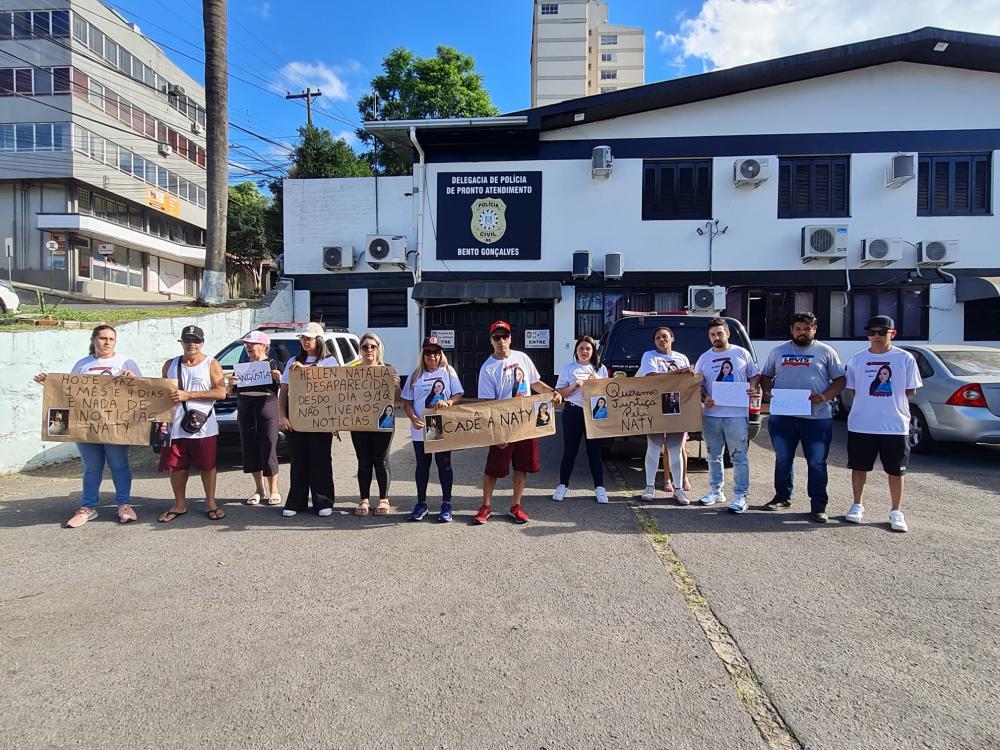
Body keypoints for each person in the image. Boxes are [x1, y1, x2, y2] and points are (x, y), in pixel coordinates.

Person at [33, 324, 142, 528]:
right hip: (87, 426)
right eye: (102, 338)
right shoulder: (82, 364)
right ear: (93, 340)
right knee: (92, 467)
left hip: (115, 426)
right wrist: (49, 383)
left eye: (111, 339)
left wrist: (133, 380)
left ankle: (124, 505)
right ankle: (88, 507)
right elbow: (68, 391)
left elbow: (141, 392)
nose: (107, 342)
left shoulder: (125, 362)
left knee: (119, 465)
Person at [759, 311, 845, 523]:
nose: (802, 333)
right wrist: (768, 391)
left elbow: (840, 380)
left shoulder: (826, 351)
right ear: (792, 330)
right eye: (798, 329)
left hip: (816, 418)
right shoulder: (778, 351)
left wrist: (825, 396)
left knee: (816, 462)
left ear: (814, 330)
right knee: (783, 459)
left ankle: (818, 505)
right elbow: (766, 376)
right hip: (783, 416)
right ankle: (782, 496)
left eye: (807, 329)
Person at [474, 320, 562, 525]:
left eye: (505, 336)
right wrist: (496, 432)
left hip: (526, 422)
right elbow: (488, 404)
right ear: (491, 340)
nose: (501, 341)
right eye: (497, 337)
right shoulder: (488, 368)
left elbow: (535, 383)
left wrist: (553, 393)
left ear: (510, 338)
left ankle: (516, 505)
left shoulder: (522, 357)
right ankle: (486, 505)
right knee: (494, 467)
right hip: (504, 424)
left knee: (521, 465)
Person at [843, 315, 922, 532]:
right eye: (871, 332)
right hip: (861, 424)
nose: (875, 337)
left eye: (881, 332)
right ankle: (857, 505)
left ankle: (896, 511)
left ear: (892, 334)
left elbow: (910, 390)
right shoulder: (858, 359)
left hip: (894, 425)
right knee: (859, 468)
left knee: (896, 471)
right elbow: (853, 389)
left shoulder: (905, 358)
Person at [157, 324, 228, 522]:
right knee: (177, 467)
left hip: (203, 426)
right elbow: (159, 392)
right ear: (182, 342)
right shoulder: (170, 364)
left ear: (202, 343)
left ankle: (211, 503)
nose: (192, 344)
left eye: (196, 341)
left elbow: (221, 392)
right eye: (188, 340)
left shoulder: (211, 364)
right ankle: (179, 504)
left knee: (207, 466)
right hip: (175, 425)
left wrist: (188, 395)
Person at [694, 318, 761, 513]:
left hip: (737, 415)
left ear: (728, 333)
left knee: (738, 456)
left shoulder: (741, 353)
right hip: (712, 415)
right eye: (712, 334)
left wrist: (753, 387)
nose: (716, 337)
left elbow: (754, 375)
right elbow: (699, 384)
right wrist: (705, 397)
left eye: (719, 333)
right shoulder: (704, 358)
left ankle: (741, 495)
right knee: (713, 456)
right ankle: (716, 491)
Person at [277, 322, 337, 517]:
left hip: (321, 421)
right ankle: (296, 501)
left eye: (308, 338)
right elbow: (284, 390)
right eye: (302, 338)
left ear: (318, 340)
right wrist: (282, 416)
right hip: (297, 420)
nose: (304, 341)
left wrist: (305, 371)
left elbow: (334, 391)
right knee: (299, 460)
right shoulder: (293, 361)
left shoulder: (330, 362)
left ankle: (323, 500)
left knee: (320, 460)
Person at [402, 336, 464, 522]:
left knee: (444, 464)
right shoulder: (416, 375)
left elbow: (458, 393)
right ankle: (421, 503)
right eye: (428, 352)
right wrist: (413, 418)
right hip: (421, 425)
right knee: (422, 466)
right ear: (423, 354)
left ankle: (446, 503)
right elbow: (407, 401)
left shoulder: (448, 371)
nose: (432, 356)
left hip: (438, 424)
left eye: (436, 352)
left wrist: (449, 402)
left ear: (440, 354)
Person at [636, 327, 697, 505]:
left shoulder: (682, 358)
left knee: (675, 450)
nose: (661, 340)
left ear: (672, 338)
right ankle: (649, 487)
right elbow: (653, 377)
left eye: (664, 336)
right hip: (654, 407)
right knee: (654, 448)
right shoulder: (649, 356)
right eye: (657, 338)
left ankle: (678, 490)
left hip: (676, 407)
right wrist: (678, 373)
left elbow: (687, 383)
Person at [552, 335, 609, 504]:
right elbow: (559, 394)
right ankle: (562, 485)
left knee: (595, 452)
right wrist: (575, 385)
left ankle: (599, 487)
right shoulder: (568, 368)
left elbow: (608, 393)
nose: (584, 352)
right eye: (581, 348)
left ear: (593, 352)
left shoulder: (601, 369)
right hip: (573, 411)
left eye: (588, 349)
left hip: (595, 413)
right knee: (570, 450)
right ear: (576, 351)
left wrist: (595, 383)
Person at [230, 330, 283, 506]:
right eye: (247, 345)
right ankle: (259, 489)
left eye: (252, 344)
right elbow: (231, 393)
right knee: (250, 447)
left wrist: (279, 377)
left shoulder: (273, 364)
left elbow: (286, 388)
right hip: (245, 406)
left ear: (264, 346)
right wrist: (232, 385)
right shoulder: (243, 366)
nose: (249, 347)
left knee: (268, 446)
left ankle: (274, 489)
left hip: (266, 406)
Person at [350, 333, 399, 517]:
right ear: (360, 350)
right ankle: (364, 499)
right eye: (365, 347)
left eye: (373, 346)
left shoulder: (388, 369)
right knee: (363, 460)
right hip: (359, 420)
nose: (369, 350)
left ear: (379, 349)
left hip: (383, 421)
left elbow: (398, 400)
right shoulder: (352, 371)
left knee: (381, 460)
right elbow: (342, 399)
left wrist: (395, 386)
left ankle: (383, 499)